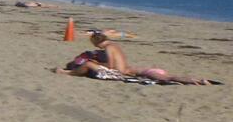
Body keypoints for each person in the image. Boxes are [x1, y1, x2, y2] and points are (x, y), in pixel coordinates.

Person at [56, 32, 220, 85]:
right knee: (168, 77)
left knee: (88, 64)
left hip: (118, 73)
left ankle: (66, 73)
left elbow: (111, 66)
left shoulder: (108, 48)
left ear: (96, 42)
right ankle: (196, 80)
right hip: (126, 70)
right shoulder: (114, 45)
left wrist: (96, 62)